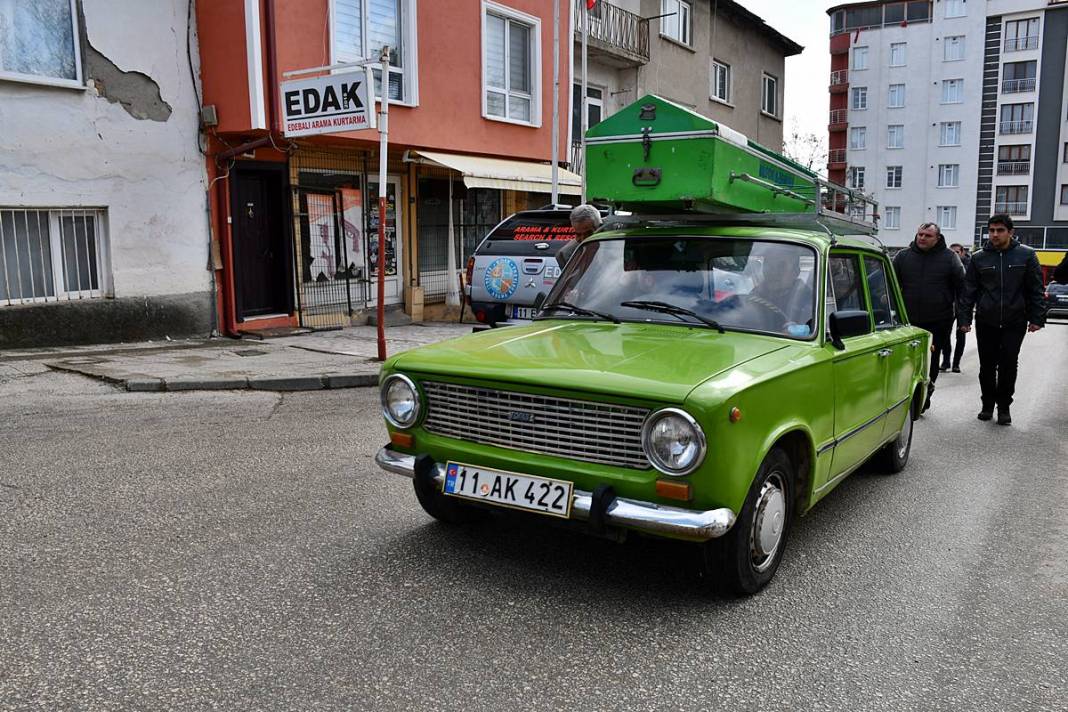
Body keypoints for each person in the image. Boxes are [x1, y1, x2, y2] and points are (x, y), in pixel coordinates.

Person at [958, 214, 1045, 425]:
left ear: (1010, 232)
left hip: (1015, 320)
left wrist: (1037, 318)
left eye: (1000, 230)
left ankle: (1004, 407)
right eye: (991, 230)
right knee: (987, 366)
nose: (995, 235)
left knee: (1008, 364)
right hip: (986, 320)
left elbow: (1035, 289)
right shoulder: (979, 258)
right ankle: (987, 404)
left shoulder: (1026, 255)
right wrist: (964, 319)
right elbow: (969, 291)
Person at [892, 222, 964, 412]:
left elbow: (962, 288)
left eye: (927, 235)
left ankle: (926, 392)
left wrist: (963, 318)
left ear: (937, 238)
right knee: (905, 359)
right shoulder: (903, 256)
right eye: (920, 234)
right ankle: (906, 394)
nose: (922, 238)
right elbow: (890, 284)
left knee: (931, 358)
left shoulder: (950, 258)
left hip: (938, 319)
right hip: (907, 320)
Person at [939, 243, 971, 372]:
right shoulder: (947, 264)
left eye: (957, 252)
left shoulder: (969, 266)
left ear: (962, 253)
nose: (955, 254)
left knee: (961, 335)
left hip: (963, 305)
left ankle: (956, 363)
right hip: (949, 304)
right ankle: (946, 361)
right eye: (953, 252)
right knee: (945, 335)